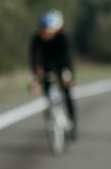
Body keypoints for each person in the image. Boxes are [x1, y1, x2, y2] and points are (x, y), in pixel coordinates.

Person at [29, 9, 77, 140]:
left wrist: (69, 75)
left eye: (49, 30)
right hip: (46, 68)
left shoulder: (63, 38)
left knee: (67, 95)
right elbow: (34, 58)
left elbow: (68, 58)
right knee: (48, 94)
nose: (46, 33)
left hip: (62, 67)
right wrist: (34, 78)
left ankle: (72, 125)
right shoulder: (37, 39)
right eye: (44, 30)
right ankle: (50, 116)